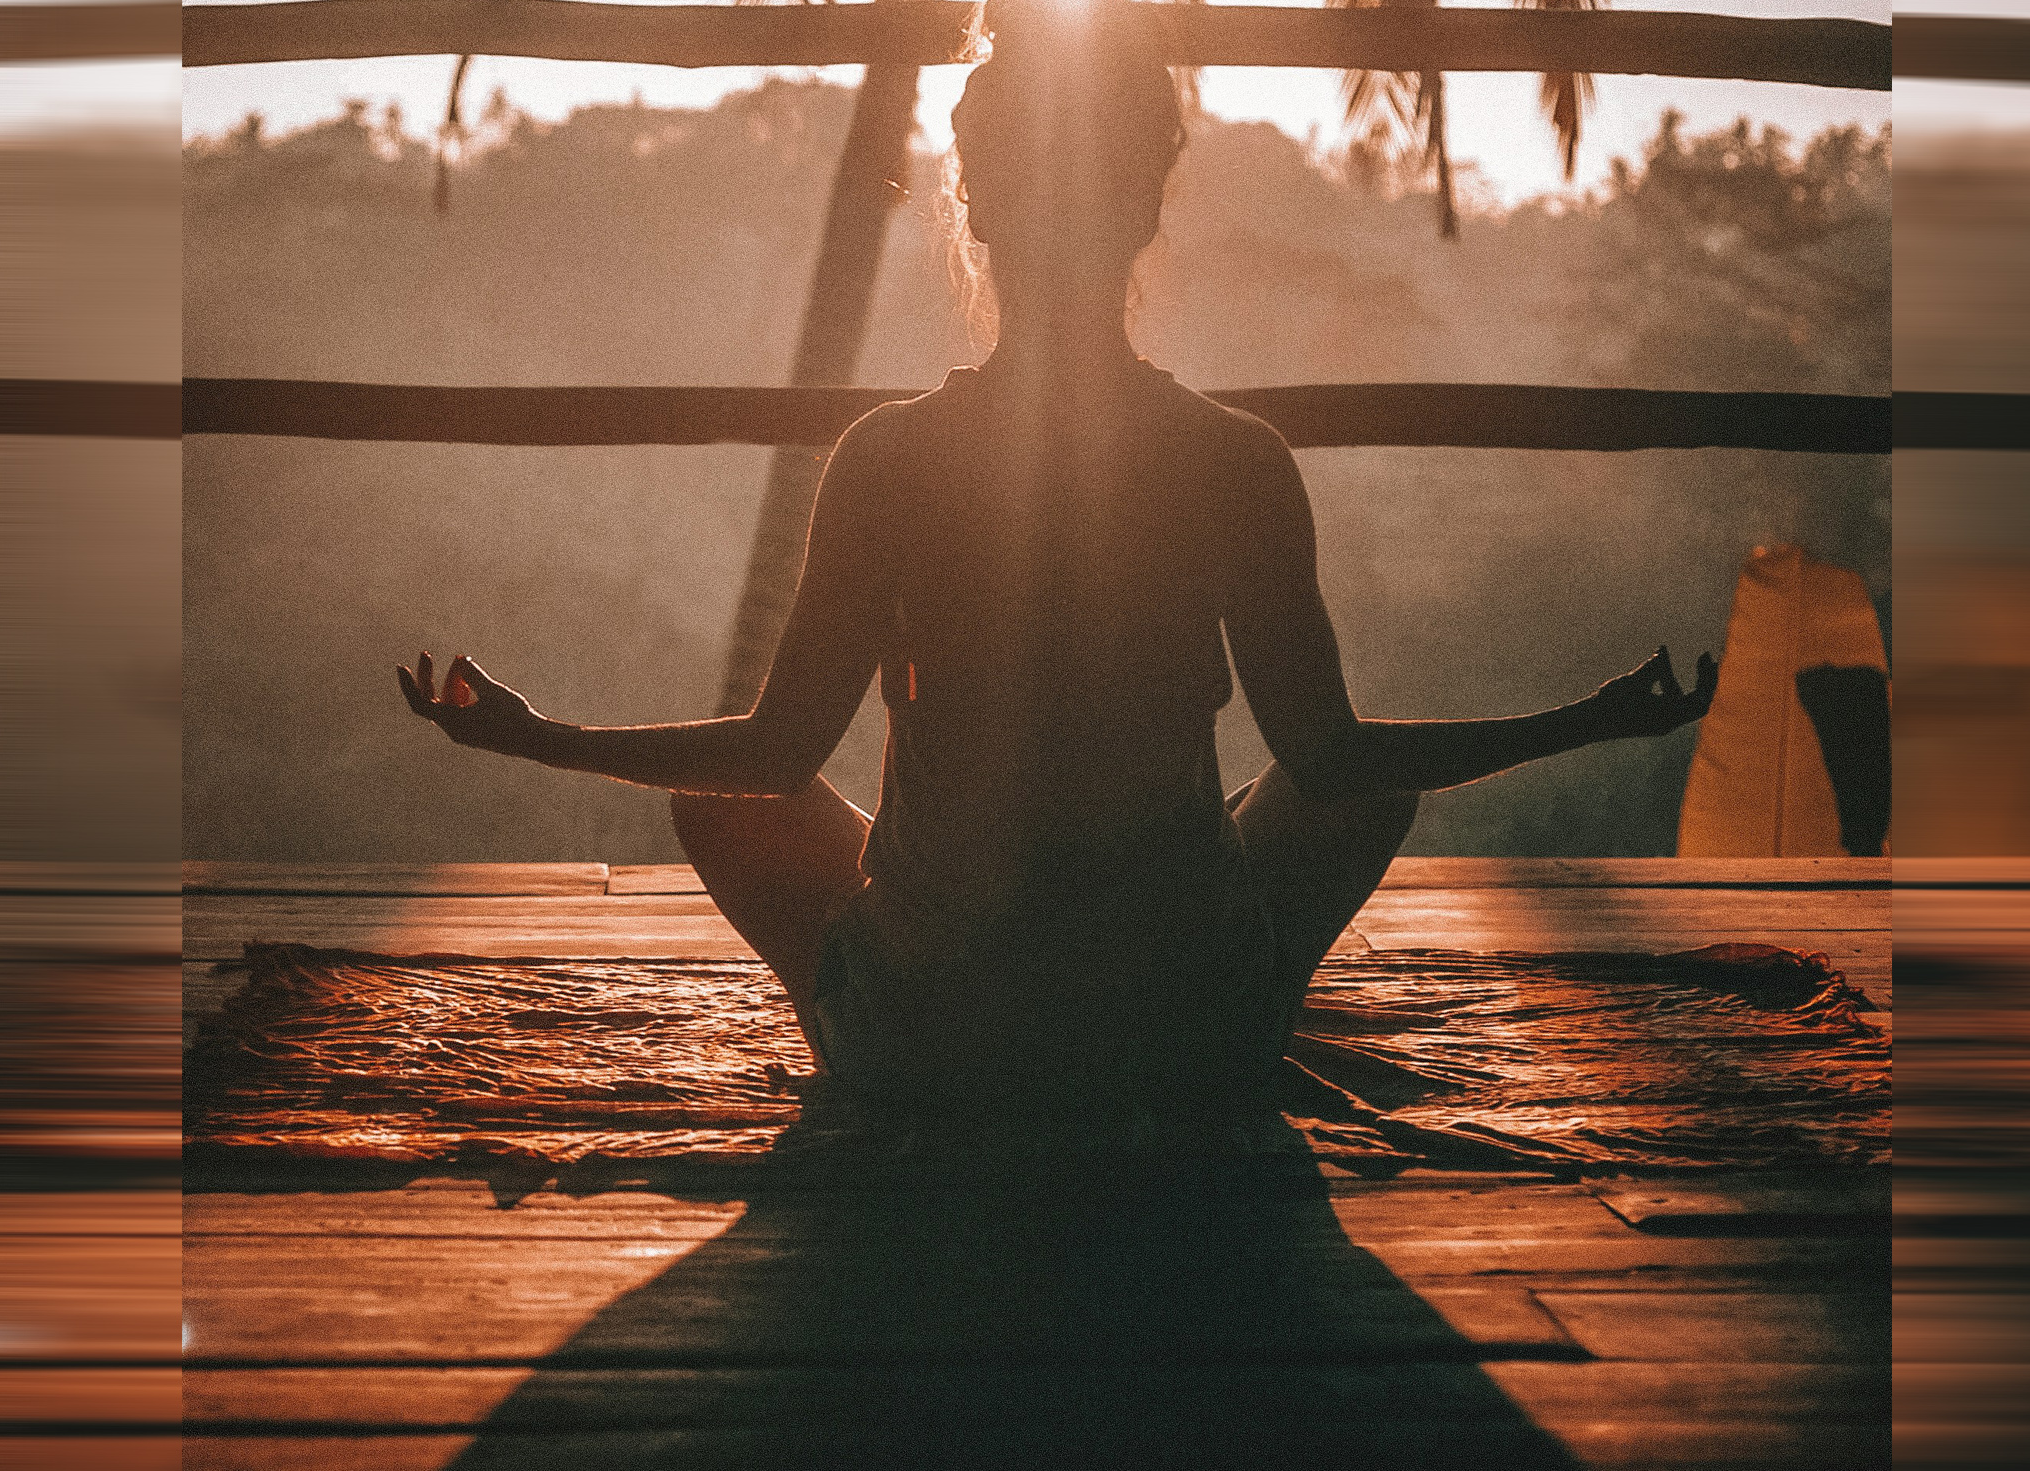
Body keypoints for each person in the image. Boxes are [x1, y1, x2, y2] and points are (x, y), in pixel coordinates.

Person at [397, 0, 1715, 1127]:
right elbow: (1333, 760)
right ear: (1147, 204)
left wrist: (535, 734)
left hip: (932, 1049)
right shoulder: (1232, 458)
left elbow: (770, 754)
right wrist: (1589, 721)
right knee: (1358, 791)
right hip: (1178, 1042)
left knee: (721, 803)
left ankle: (884, 1036)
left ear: (971, 203)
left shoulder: (889, 456)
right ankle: (1228, 1009)